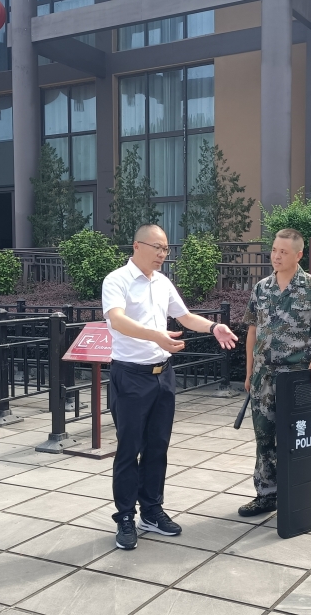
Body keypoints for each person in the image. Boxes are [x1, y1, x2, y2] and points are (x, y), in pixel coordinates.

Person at [102, 224, 238, 550]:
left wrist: (214, 327)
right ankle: (125, 517)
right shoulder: (117, 280)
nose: (163, 254)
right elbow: (116, 320)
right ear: (137, 246)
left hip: (163, 375)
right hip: (131, 376)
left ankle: (151, 510)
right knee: (129, 449)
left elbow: (185, 316)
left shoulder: (162, 282)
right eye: (157, 247)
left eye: (166, 249)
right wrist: (156, 336)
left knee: (158, 446)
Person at [238, 228, 311, 517]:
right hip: (263, 377)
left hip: (296, 378)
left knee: (298, 438)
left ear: (298, 255)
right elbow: (253, 331)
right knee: (264, 437)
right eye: (274, 250)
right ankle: (266, 494)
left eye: (283, 251)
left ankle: (299, 494)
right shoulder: (262, 288)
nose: (276, 256)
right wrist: (249, 372)